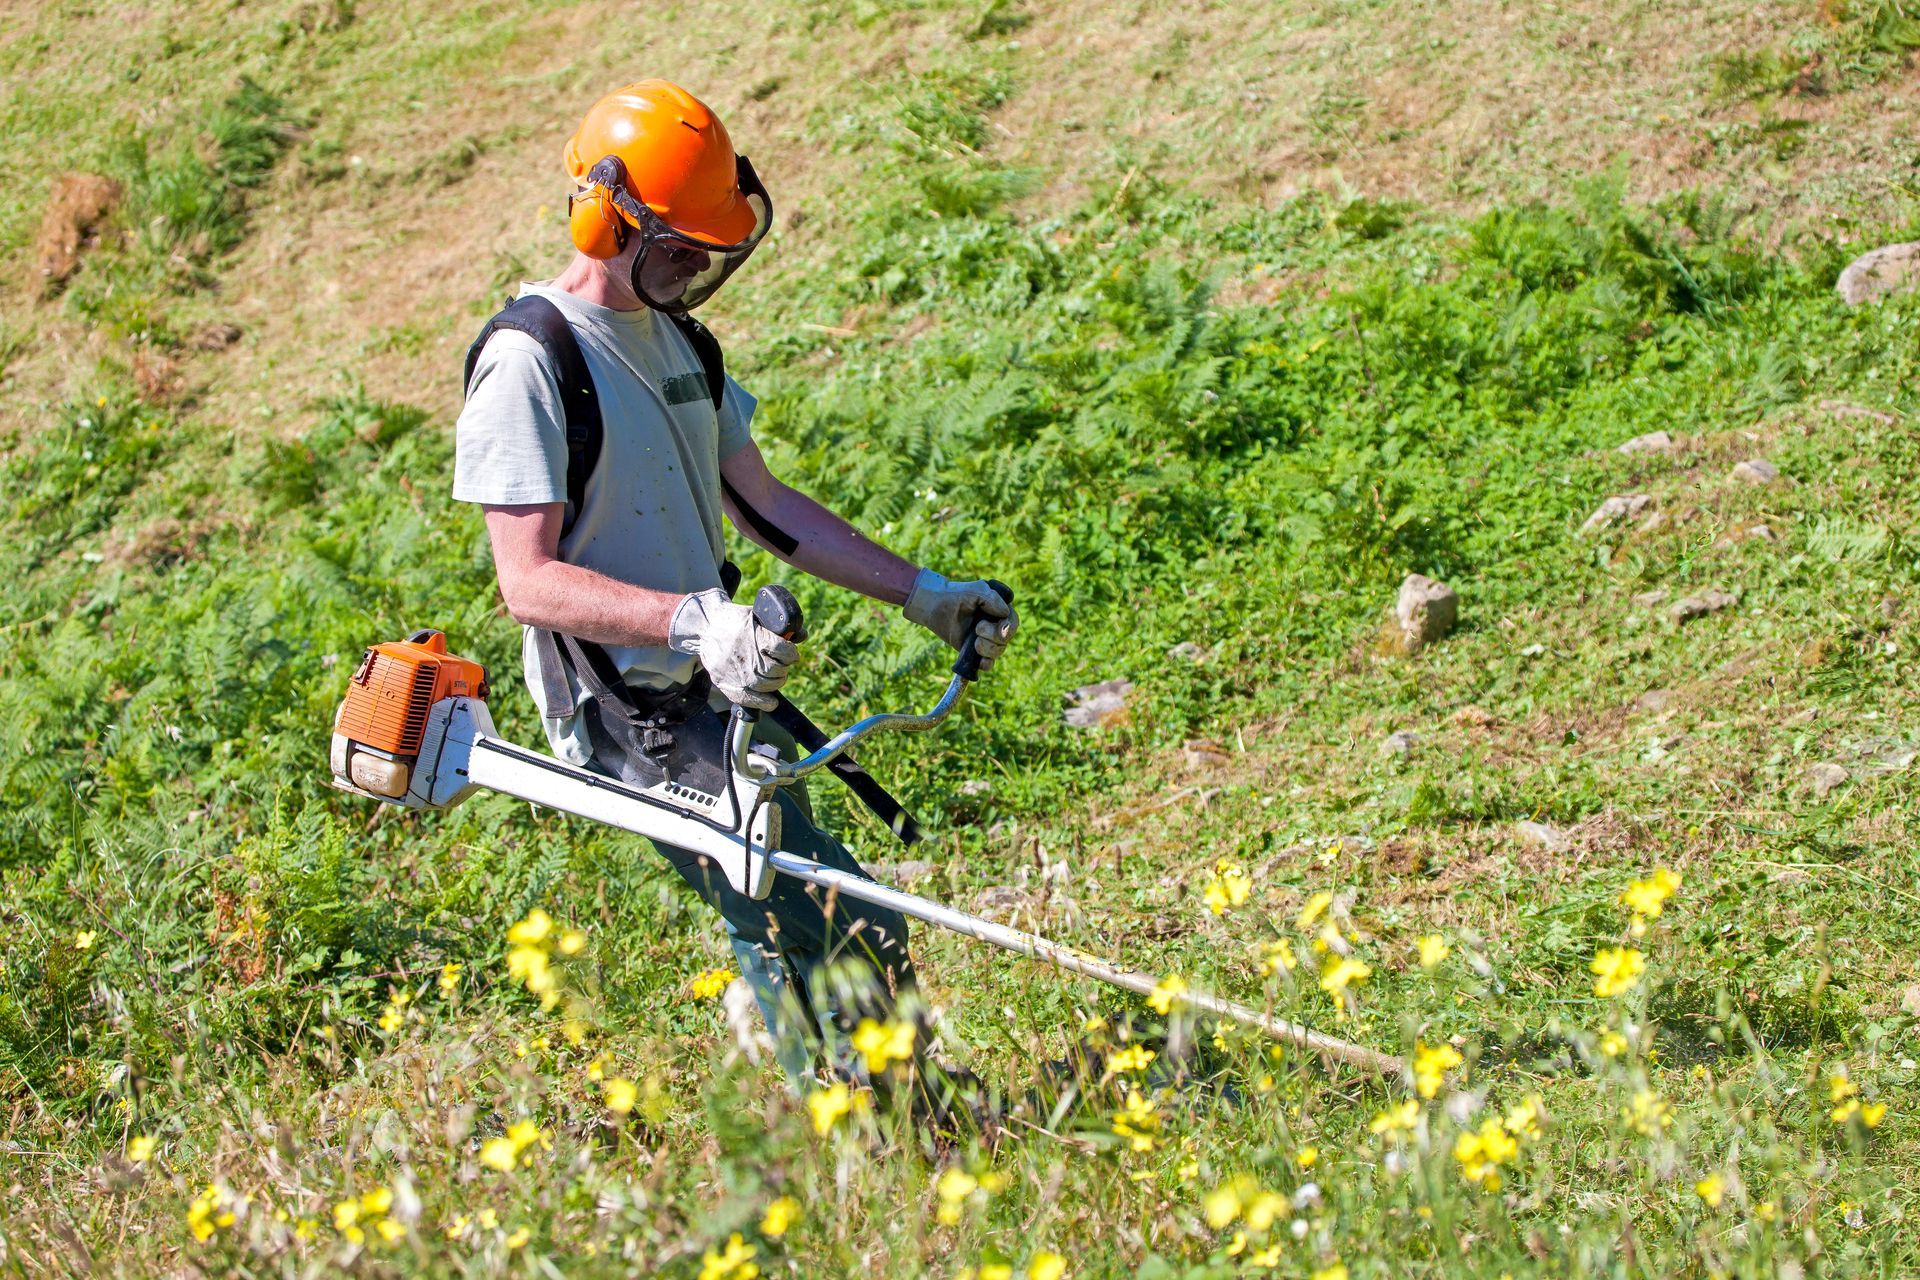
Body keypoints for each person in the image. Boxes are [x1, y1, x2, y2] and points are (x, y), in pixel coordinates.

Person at [451, 79, 1018, 1085]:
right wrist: (691, 621)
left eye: (708, 248)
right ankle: (880, 1132)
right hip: (628, 708)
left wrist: (926, 591)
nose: (696, 265)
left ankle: (857, 1132)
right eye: (677, 246)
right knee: (829, 911)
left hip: (711, 684)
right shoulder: (530, 360)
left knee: (787, 908)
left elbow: (767, 508)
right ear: (603, 213)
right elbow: (526, 582)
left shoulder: (682, 344)